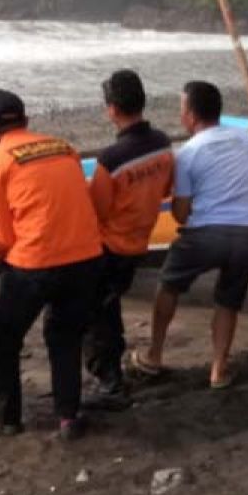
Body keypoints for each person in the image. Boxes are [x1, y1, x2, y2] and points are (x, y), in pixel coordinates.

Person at [0, 89, 102, 439]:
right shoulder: (63, 147)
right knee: (65, 336)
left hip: (37, 262)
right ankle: (69, 416)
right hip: (87, 257)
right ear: (26, 120)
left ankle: (5, 417)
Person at [138, 81, 248, 389]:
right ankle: (218, 369)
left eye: (182, 108)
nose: (180, 114)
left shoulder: (188, 153)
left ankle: (154, 355)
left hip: (208, 235)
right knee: (228, 301)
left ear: (191, 115)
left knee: (168, 284)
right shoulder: (244, 137)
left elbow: (181, 214)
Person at [84, 70, 174, 405]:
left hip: (110, 245)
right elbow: (165, 188)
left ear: (111, 109)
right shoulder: (163, 144)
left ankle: (110, 383)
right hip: (139, 241)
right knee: (109, 308)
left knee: (99, 313)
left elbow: (97, 211)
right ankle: (112, 373)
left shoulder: (111, 159)